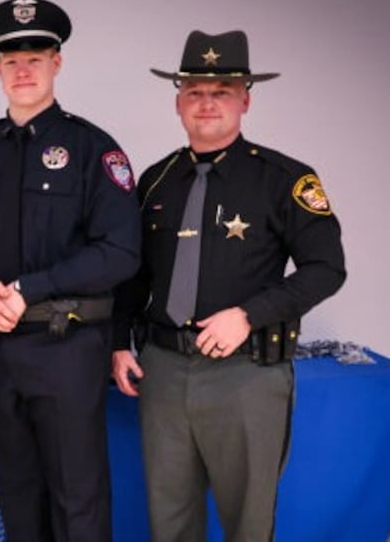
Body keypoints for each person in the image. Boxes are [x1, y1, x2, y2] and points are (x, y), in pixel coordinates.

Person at [111, 30, 346, 541]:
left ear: (245, 99)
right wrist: (116, 343)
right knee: (169, 520)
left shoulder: (284, 179)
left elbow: (327, 267)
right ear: (178, 102)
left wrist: (248, 315)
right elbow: (135, 274)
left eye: (221, 90)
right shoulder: (156, 180)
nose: (207, 103)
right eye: (195, 91)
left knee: (248, 522)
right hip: (164, 372)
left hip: (246, 375)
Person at [0, 0, 141, 542]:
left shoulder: (94, 150)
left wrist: (31, 288)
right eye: (10, 60)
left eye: (35, 56)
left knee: (78, 498)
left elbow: (121, 252)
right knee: (17, 494)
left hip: (66, 347)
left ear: (58, 63)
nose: (23, 70)